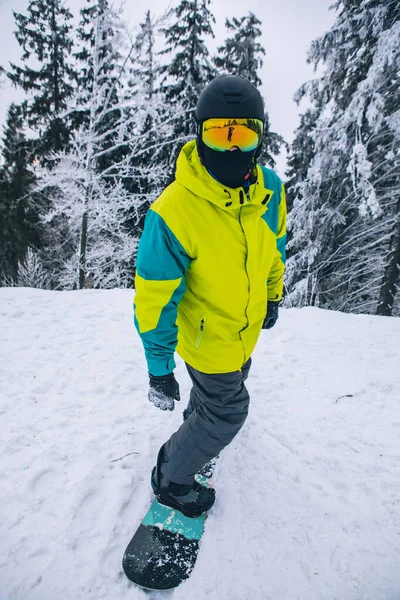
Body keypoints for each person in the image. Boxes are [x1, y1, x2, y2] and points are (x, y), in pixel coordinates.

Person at [133, 74, 287, 518]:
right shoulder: (174, 210)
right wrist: (159, 369)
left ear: (260, 135)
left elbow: (272, 245)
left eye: (244, 134)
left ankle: (196, 429)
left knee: (222, 392)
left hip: (244, 329)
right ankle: (171, 477)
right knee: (228, 410)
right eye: (221, 134)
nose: (233, 148)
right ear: (199, 133)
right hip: (205, 339)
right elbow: (154, 299)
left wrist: (272, 295)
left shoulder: (270, 188)